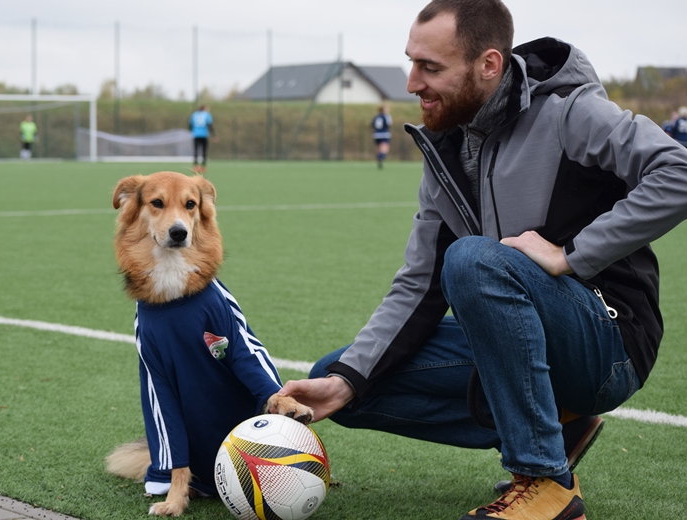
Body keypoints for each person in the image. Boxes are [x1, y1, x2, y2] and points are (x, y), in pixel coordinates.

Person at [278, 1, 687, 519]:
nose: (411, 82)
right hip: (529, 335)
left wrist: (573, 256)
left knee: (473, 260)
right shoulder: (447, 150)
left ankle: (546, 482)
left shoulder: (571, 111)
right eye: (411, 62)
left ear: (489, 65)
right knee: (347, 383)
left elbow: (678, 172)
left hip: (609, 343)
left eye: (430, 67)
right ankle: (557, 422)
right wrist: (347, 378)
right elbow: (418, 285)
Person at [189, 104, 216, 173]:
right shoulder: (207, 115)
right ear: (204, 109)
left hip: (196, 135)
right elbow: (210, 125)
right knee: (204, 151)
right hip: (204, 135)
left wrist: (192, 131)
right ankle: (203, 167)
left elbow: (190, 124)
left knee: (196, 150)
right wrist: (214, 135)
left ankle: (195, 166)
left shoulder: (194, 114)